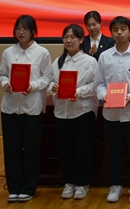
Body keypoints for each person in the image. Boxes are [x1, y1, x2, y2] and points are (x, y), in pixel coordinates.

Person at [94, 16, 130, 204]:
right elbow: (99, 83)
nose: (119, 32)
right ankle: (116, 185)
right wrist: (104, 95)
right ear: (111, 33)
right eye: (116, 29)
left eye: (123, 29)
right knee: (114, 151)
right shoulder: (104, 56)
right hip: (111, 114)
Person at [0, 15, 52, 203]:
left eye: (25, 29)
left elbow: (47, 78)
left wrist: (32, 86)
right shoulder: (8, 53)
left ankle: (28, 188)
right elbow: (1, 75)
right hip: (10, 108)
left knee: (31, 150)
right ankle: (14, 187)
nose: (21, 32)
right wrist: (4, 83)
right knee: (11, 149)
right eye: (18, 28)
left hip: (32, 108)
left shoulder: (42, 53)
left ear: (33, 31)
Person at [48, 24, 98, 200]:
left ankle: (83, 183)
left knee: (83, 150)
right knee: (66, 150)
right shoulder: (58, 62)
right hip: (62, 112)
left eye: (73, 37)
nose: (69, 41)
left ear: (81, 40)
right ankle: (69, 182)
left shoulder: (90, 61)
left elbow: (95, 86)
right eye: (66, 37)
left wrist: (78, 92)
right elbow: (49, 81)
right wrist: (53, 87)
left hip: (82, 112)